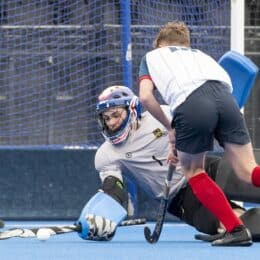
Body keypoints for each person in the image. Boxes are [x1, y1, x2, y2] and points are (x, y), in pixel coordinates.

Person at [76, 85, 260, 243]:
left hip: (202, 167)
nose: (112, 122)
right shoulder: (106, 154)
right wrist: (102, 215)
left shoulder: (163, 114)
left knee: (251, 178)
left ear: (131, 109)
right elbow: (113, 187)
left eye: (115, 114)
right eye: (106, 118)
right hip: (180, 197)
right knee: (235, 223)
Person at [138, 21, 260, 246]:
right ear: (185, 43)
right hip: (226, 101)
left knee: (194, 171)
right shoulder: (201, 56)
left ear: (159, 44)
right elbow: (213, 97)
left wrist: (169, 126)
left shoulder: (152, 57)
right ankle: (232, 229)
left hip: (192, 104)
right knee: (247, 170)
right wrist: (179, 139)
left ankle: (235, 230)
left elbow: (145, 97)